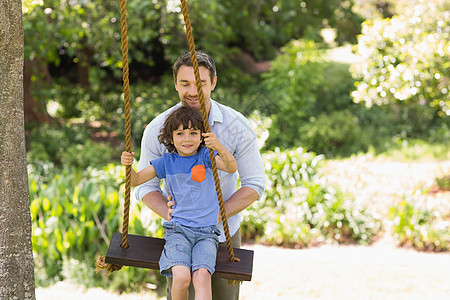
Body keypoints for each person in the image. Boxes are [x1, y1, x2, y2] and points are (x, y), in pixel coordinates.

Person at [135, 50, 266, 300]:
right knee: (182, 288)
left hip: (223, 232)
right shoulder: (158, 129)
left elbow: (254, 184)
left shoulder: (236, 126)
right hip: (180, 232)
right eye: (185, 84)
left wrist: (217, 213)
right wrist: (168, 212)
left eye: (200, 83)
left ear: (213, 83)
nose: (192, 91)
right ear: (175, 84)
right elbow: (145, 186)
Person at [122, 106, 237, 300]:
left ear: (202, 136)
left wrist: (217, 146)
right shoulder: (166, 161)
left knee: (201, 278)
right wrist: (128, 166)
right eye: (180, 133)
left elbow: (231, 167)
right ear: (171, 136)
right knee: (182, 277)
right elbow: (135, 180)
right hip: (178, 230)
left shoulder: (206, 157)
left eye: (193, 133)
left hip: (206, 233)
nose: (187, 138)